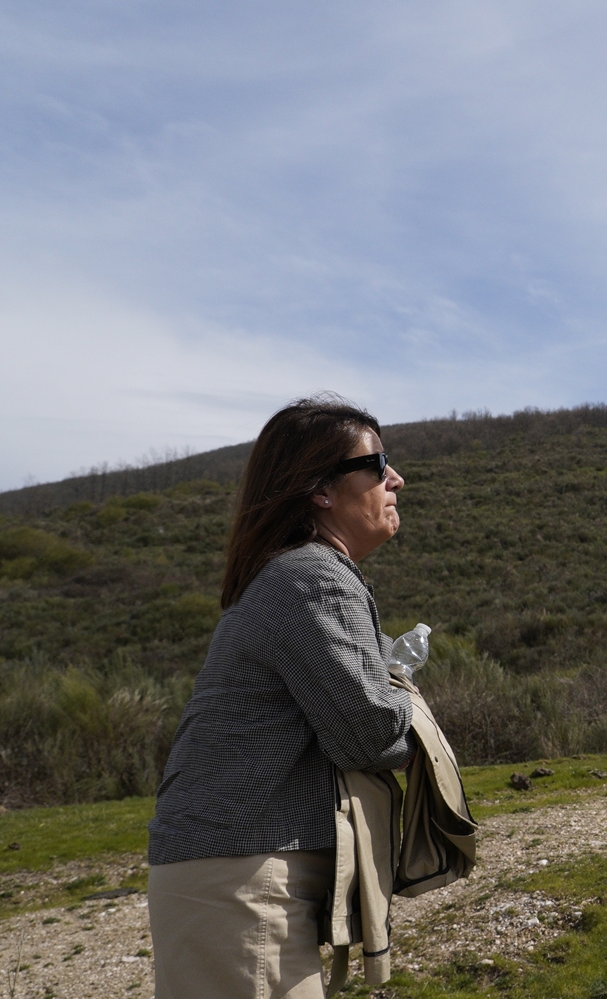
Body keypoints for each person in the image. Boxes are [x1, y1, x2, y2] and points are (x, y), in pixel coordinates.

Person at [147, 394, 413, 999]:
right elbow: (369, 734)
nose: (395, 479)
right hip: (238, 875)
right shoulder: (309, 576)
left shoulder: (299, 572)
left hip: (233, 871)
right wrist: (408, 698)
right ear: (321, 489)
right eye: (377, 464)